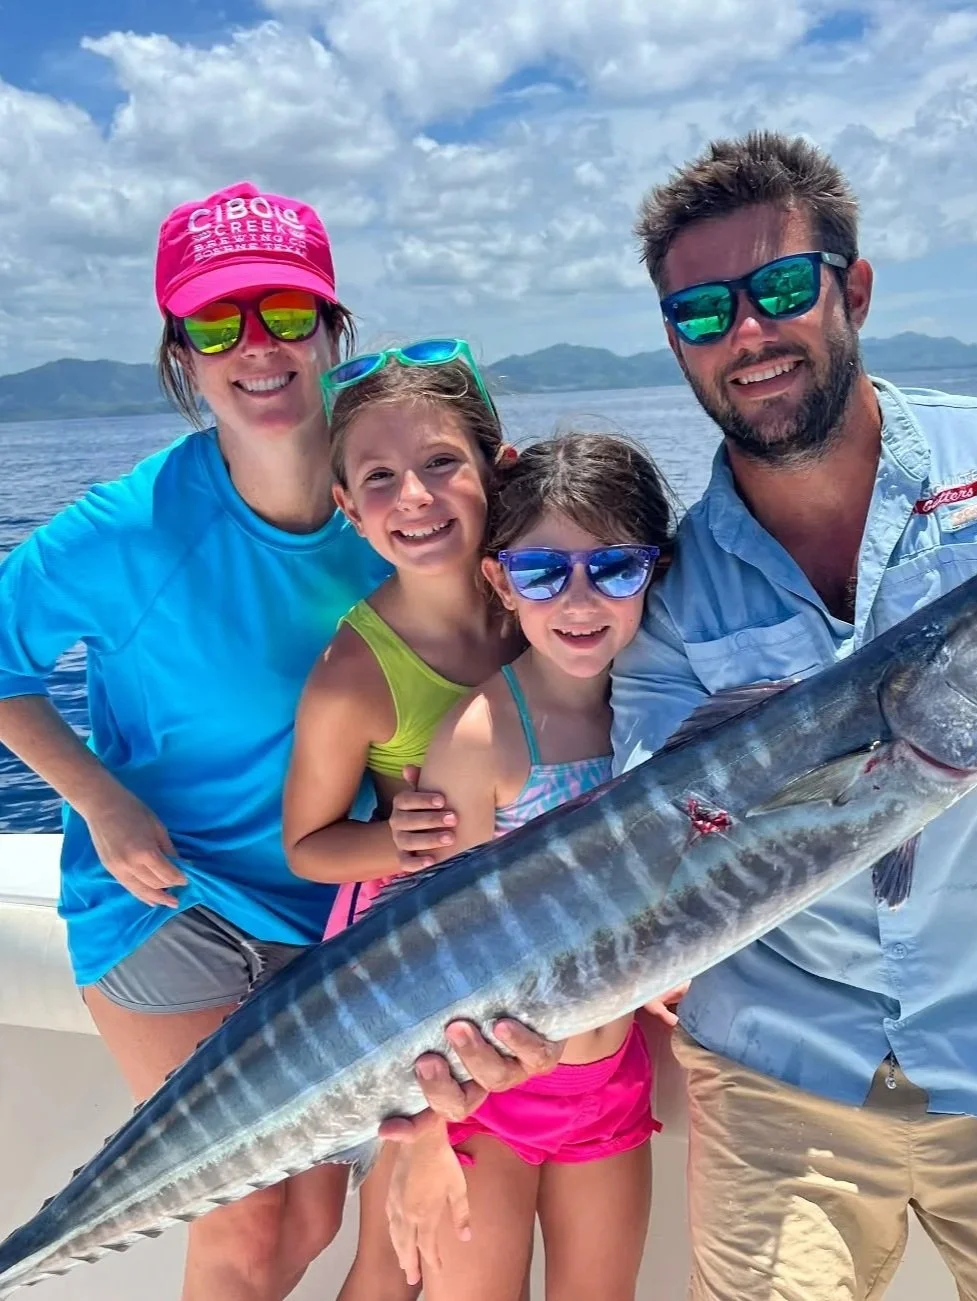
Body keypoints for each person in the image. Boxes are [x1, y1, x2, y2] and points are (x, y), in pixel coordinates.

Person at [387, 132, 977, 1301]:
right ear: (673, 338)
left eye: (775, 289)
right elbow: (672, 836)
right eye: (703, 311)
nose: (745, 333)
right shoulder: (675, 584)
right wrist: (503, 1027)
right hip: (779, 1080)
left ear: (850, 288)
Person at [0, 181, 390, 1301]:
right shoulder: (127, 529)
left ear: (332, 331)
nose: (257, 348)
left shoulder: (397, 490)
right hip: (167, 899)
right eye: (218, 323)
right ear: (181, 353)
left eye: (286, 314)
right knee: (245, 1208)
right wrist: (101, 798)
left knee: (313, 1211)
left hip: (332, 905)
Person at [382, 433, 679, 1300]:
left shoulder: (655, 724)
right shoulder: (478, 741)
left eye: (614, 568)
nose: (580, 599)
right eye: (546, 572)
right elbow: (423, 964)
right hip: (480, 1106)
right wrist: (427, 1144)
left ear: (654, 572)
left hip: (611, 1082)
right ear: (500, 581)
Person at [282, 339, 521, 1301]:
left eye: (439, 463)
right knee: (394, 1264)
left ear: (496, 467)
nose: (413, 497)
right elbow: (306, 846)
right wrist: (388, 839)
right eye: (379, 478)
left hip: (529, 955)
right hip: (405, 974)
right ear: (347, 507)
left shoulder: (546, 598)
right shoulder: (353, 672)